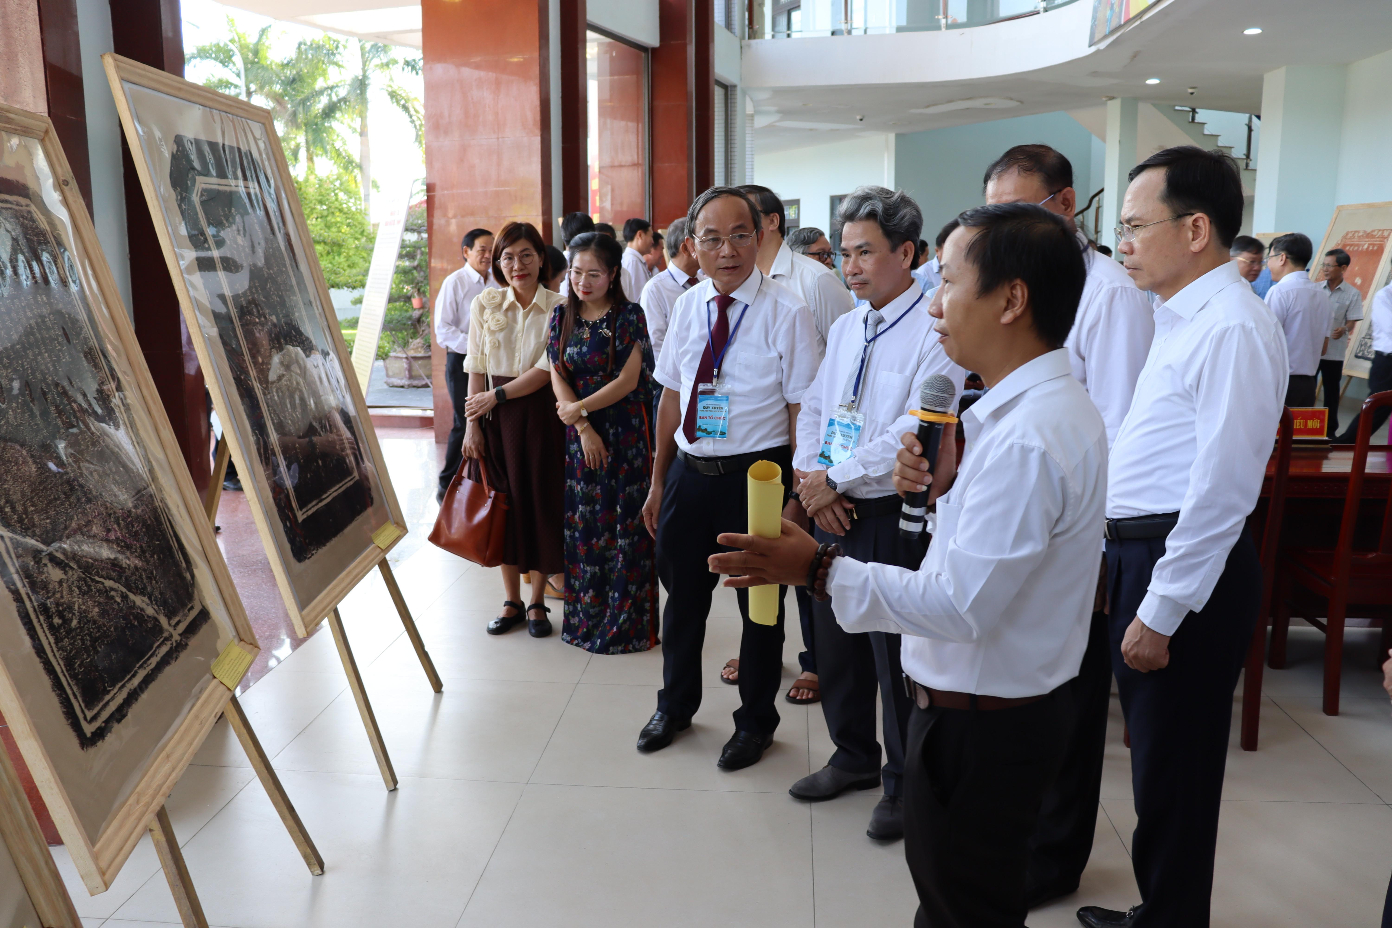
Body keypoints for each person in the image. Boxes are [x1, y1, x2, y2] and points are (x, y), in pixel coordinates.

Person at [710, 202, 1103, 928]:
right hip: (991, 704)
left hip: (984, 722)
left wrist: (818, 570)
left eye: (947, 281)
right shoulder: (1028, 413)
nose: (935, 304)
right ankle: (860, 755)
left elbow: (959, 605)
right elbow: (825, 410)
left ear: (1012, 299)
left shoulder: (1029, 439)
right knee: (959, 900)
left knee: (961, 904)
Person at [1076, 146, 1286, 928]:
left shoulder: (1231, 326)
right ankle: (1160, 911)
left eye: (1135, 225)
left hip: (1183, 565)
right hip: (1141, 550)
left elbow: (1222, 489)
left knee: (1177, 768)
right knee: (1157, 764)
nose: (1122, 242)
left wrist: (1161, 611)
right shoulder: (1181, 316)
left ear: (1197, 228)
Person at [982, 143, 1155, 909]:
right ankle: (1019, 841)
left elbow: (1117, 425)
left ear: (1064, 205)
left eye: (1018, 209)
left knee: (1071, 704)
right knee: (1028, 689)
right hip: (1024, 513)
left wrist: (1097, 554)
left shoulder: (1106, 294)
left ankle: (1055, 861)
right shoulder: (1020, 284)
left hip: (1080, 533)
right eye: (994, 213)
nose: (1004, 225)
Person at [786, 185, 964, 844]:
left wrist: (832, 480)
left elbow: (913, 430)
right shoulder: (847, 325)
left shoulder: (935, 327)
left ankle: (899, 783)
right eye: (845, 253)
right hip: (831, 506)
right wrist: (812, 483)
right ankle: (853, 756)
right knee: (836, 643)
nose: (850, 266)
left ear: (907, 253)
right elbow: (814, 405)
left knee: (895, 655)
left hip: (889, 508)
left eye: (865, 252)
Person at [636, 186, 820, 770]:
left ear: (761, 236)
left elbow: (801, 413)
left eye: (740, 234)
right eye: (711, 238)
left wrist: (795, 499)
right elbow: (671, 395)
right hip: (689, 475)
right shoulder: (689, 305)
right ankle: (675, 706)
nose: (727, 249)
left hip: (757, 479)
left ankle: (756, 722)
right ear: (692, 246)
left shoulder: (788, 312)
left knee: (759, 609)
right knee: (683, 601)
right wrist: (659, 480)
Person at [737, 183, 856, 706]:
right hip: (755, 441)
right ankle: (760, 650)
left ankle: (815, 661)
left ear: (767, 223)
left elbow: (836, 376)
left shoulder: (816, 280)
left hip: (812, 450)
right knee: (760, 554)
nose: (726, 242)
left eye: (740, 226)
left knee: (806, 553)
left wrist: (813, 471)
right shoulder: (730, 284)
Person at [546, 232, 660, 654]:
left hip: (625, 431)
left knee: (625, 524)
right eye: (576, 272)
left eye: (593, 273)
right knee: (584, 524)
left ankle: (627, 627)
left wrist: (578, 411)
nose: (582, 281)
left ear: (613, 274)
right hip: (582, 435)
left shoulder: (630, 315)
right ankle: (583, 622)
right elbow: (557, 371)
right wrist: (581, 426)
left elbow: (628, 380)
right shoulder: (562, 315)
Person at [461, 221, 568, 638]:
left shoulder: (561, 305)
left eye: (526, 255)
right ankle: (512, 601)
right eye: (507, 257)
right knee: (503, 506)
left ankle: (539, 600)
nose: (516, 264)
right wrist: (473, 425)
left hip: (541, 414)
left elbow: (547, 369)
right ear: (497, 263)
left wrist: (497, 398)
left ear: (541, 259)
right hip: (492, 418)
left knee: (540, 503)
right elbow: (476, 365)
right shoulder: (485, 304)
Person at [434, 228, 497, 503]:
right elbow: (442, 330)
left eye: (491, 249)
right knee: (464, 422)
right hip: (460, 361)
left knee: (488, 422)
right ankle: (445, 487)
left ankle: (477, 483)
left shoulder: (497, 281)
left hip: (492, 362)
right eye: (482, 249)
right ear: (466, 252)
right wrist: (474, 346)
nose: (487, 255)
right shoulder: (455, 282)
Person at [1266, 232, 1334, 407]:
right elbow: (1324, 348)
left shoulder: (1280, 292)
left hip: (1281, 382)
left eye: (1269, 257)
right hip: (1308, 384)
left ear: (1282, 258)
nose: (1267, 264)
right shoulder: (1322, 295)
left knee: (1276, 434)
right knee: (1299, 433)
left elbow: (1267, 342)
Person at [1334, 281, 1392, 443]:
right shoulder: (1385, 295)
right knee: (1377, 408)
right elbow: (1390, 328)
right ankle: (1346, 443)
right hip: (1387, 362)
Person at [639, 217, 701, 364]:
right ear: (686, 248)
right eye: (705, 242)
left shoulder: (707, 283)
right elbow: (656, 345)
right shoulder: (655, 289)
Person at [1317, 248, 1363, 436]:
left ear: (1343, 268)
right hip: (1313, 349)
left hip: (1334, 351)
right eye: (1324, 265)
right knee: (1307, 387)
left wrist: (1344, 328)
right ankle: (1304, 426)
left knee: (1331, 392)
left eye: (1329, 265)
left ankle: (1329, 431)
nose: (1325, 269)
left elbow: (1352, 321)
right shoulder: (1315, 289)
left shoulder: (1352, 294)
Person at [621, 218, 654, 300]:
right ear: (640, 235)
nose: (652, 241)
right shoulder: (633, 262)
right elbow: (637, 298)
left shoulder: (632, 259)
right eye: (651, 236)